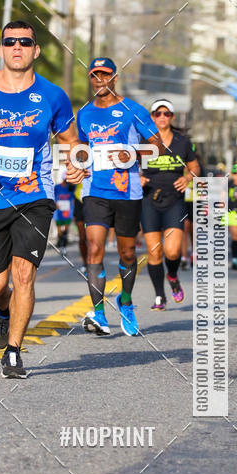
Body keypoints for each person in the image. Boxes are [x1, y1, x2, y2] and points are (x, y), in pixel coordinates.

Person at [0, 20, 82, 379]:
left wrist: (77, 166)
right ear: (2, 49)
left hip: (35, 196)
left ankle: (13, 351)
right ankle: (2, 311)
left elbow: (74, 141)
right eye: (10, 42)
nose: (17, 47)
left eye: (25, 42)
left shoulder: (53, 95)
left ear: (36, 51)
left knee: (24, 275)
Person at [78, 57, 164, 337]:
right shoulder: (85, 113)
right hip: (94, 191)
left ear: (115, 78)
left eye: (105, 75)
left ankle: (125, 301)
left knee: (128, 252)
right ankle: (99, 314)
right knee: (94, 248)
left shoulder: (132, 110)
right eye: (94, 75)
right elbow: (79, 147)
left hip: (127, 192)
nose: (99, 80)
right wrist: (75, 164)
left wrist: (133, 153)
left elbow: (158, 146)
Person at [140, 99, 199, 310]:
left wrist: (187, 178)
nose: (162, 117)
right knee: (154, 252)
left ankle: (172, 276)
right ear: (152, 117)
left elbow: (194, 168)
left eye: (166, 114)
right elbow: (126, 164)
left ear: (172, 117)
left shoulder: (182, 142)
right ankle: (159, 296)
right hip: (149, 200)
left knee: (173, 252)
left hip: (174, 202)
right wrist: (137, 176)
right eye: (157, 113)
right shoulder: (142, 141)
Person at [54, 173, 75, 255]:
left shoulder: (71, 187)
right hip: (58, 211)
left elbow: (73, 199)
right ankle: (61, 245)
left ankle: (64, 247)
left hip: (67, 211)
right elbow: (53, 196)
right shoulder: (57, 187)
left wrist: (73, 212)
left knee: (66, 230)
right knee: (59, 230)